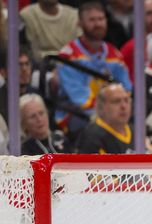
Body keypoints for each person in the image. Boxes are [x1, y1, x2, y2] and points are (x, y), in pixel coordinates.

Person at [56, 1, 133, 133]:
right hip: (77, 115)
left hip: (112, 112)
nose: (98, 24)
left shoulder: (114, 53)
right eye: (92, 20)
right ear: (79, 23)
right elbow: (80, 99)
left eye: (101, 19)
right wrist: (111, 113)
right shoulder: (68, 55)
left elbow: (126, 88)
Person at [75, 83, 136, 154]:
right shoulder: (92, 136)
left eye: (126, 100)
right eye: (116, 101)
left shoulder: (135, 131)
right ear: (101, 107)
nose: (123, 106)